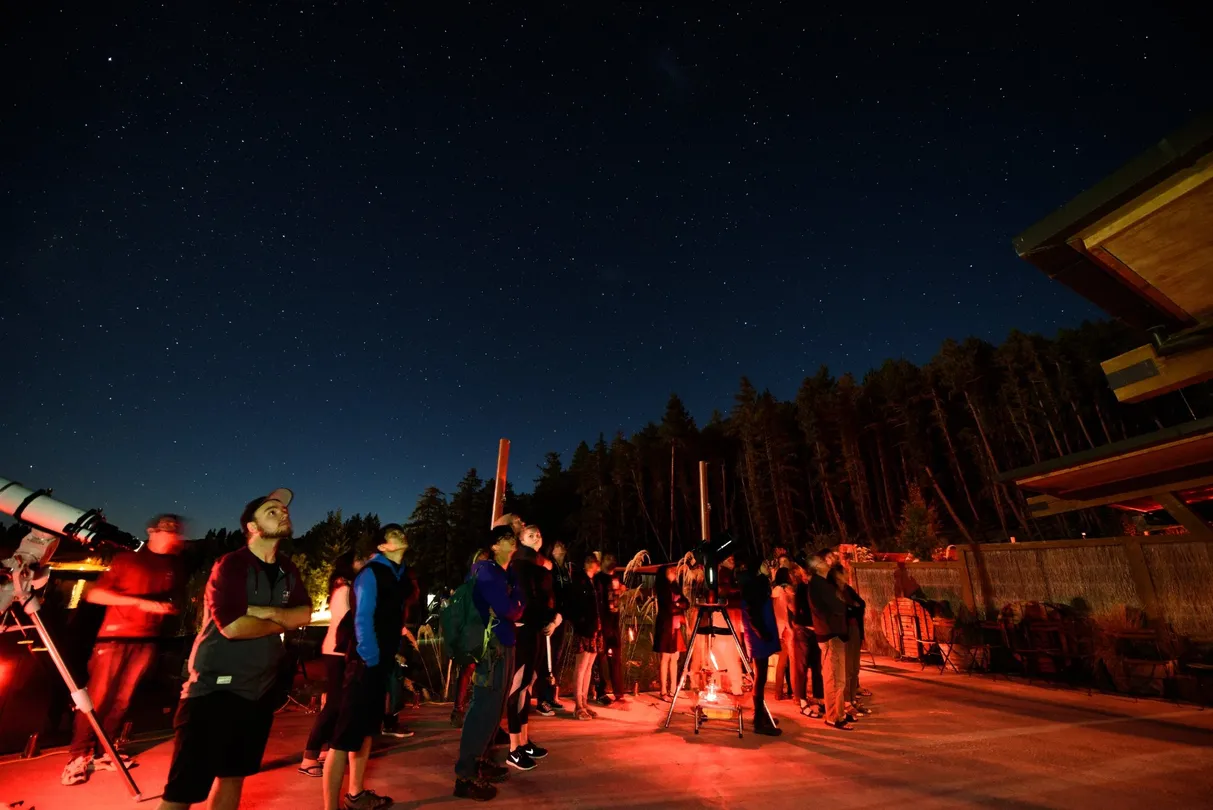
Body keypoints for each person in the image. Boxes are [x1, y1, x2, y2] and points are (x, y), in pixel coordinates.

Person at [158, 488, 313, 810]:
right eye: (272, 511)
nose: (283, 513)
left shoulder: (287, 568)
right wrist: (284, 620)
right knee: (184, 791)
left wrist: (265, 612)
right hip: (213, 691)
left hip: (258, 691)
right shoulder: (232, 564)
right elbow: (234, 627)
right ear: (253, 528)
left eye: (283, 510)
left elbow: (305, 614)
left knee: (234, 776)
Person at [61, 514, 187, 787]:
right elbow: (96, 595)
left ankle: (104, 751)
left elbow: (173, 601)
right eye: (166, 531)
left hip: (147, 641)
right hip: (114, 639)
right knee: (98, 698)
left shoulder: (172, 568)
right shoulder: (128, 559)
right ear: (151, 532)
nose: (172, 536)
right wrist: (140, 604)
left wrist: (167, 608)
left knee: (123, 700)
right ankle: (77, 757)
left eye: (175, 532)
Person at [322, 524, 413, 810]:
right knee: (342, 739)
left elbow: (392, 618)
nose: (402, 535)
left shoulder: (401, 575)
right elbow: (362, 620)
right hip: (364, 664)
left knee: (365, 732)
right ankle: (330, 807)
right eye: (394, 534)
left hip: (379, 664)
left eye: (402, 532)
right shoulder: (371, 574)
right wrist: (371, 659)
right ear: (383, 546)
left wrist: (390, 656)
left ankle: (356, 794)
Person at [453, 522, 524, 801]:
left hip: (504, 644)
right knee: (484, 707)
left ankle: (479, 761)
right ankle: (465, 775)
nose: (513, 541)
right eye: (506, 538)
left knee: (494, 709)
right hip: (491, 649)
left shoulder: (506, 573)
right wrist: (516, 600)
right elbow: (511, 609)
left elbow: (513, 606)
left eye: (513, 536)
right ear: (494, 546)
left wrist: (515, 598)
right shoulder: (487, 572)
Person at [299, 552, 362, 777]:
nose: (362, 563)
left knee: (340, 703)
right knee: (335, 703)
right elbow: (349, 624)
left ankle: (328, 751)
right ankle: (309, 756)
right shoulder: (345, 590)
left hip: (338, 650)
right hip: (338, 651)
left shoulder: (344, 589)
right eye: (358, 560)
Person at [505, 525, 556, 770]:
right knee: (517, 686)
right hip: (522, 630)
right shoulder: (520, 564)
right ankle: (513, 748)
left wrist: (551, 618)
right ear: (521, 540)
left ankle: (523, 741)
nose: (536, 537)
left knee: (527, 685)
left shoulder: (534, 566)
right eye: (530, 534)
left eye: (538, 533)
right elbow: (525, 599)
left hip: (534, 629)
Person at [738, 555, 782, 736]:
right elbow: (753, 613)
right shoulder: (753, 586)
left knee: (761, 676)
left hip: (761, 634)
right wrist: (763, 634)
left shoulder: (757, 583)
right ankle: (758, 721)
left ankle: (761, 714)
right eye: (764, 563)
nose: (767, 566)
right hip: (758, 637)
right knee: (760, 677)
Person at [808, 552, 851, 731]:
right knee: (833, 678)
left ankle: (839, 712)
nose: (829, 561)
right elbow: (838, 606)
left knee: (839, 678)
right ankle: (833, 716)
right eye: (824, 559)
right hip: (830, 634)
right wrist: (843, 604)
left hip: (835, 633)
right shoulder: (818, 584)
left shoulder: (824, 583)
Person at [452, 548, 492, 728]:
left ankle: (479, 709)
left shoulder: (491, 582)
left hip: (486, 630)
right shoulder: (470, 583)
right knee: (468, 669)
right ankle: (458, 709)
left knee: (483, 670)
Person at [535, 540, 571, 715]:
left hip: (560, 618)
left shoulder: (565, 569)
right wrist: (551, 617)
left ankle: (551, 696)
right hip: (550, 618)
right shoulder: (549, 570)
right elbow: (548, 595)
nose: (561, 549)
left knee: (555, 659)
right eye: (557, 546)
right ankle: (542, 699)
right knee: (545, 660)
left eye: (562, 546)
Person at [829, 564, 869, 718]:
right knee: (845, 668)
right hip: (844, 631)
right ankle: (846, 702)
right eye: (843, 572)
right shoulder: (833, 591)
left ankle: (852, 699)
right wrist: (852, 608)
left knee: (854, 668)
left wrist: (852, 608)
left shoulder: (848, 589)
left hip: (855, 629)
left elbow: (861, 604)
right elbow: (844, 610)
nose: (846, 574)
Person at [567, 553, 602, 720]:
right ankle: (578, 705)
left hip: (595, 629)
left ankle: (585, 702)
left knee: (588, 667)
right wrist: (582, 624)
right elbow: (576, 606)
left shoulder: (593, 582)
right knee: (581, 668)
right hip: (585, 630)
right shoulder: (579, 581)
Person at [790, 562, 825, 718]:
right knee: (802, 667)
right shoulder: (802, 588)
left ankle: (819, 698)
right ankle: (803, 701)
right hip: (803, 630)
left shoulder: (817, 589)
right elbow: (798, 610)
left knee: (817, 667)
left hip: (814, 630)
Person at [592, 554, 625, 704]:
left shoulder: (616, 577)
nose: (610, 562)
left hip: (614, 623)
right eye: (607, 559)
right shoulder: (598, 579)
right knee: (600, 659)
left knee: (616, 658)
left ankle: (619, 691)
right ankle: (600, 691)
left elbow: (618, 594)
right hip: (602, 624)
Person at [653, 563, 688, 701]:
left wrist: (679, 604)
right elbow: (668, 606)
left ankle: (673, 689)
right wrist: (679, 605)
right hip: (666, 627)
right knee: (665, 658)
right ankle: (663, 691)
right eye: (671, 571)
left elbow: (686, 602)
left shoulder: (675, 587)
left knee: (675, 658)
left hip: (676, 626)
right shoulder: (663, 588)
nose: (674, 572)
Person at [771, 567, 795, 699]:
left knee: (782, 662)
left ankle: (779, 692)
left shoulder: (775, 590)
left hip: (778, 627)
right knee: (785, 662)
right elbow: (789, 609)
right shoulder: (784, 591)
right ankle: (780, 692)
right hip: (785, 628)